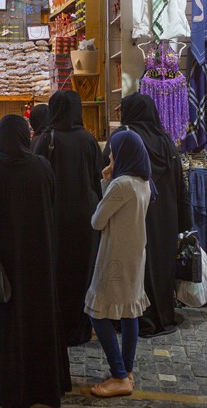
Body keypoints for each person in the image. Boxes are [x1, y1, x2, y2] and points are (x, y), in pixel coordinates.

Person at [0, 114, 71, 408]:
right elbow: (52, 206)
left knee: (5, 321)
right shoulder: (42, 167)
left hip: (4, 266)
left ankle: (2, 384)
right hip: (38, 260)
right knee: (39, 318)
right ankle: (43, 385)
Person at [103, 92, 192, 337]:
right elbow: (178, 182)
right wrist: (183, 221)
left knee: (134, 268)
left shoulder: (123, 138)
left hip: (133, 216)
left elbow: (108, 176)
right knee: (161, 265)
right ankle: (160, 314)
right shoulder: (165, 141)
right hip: (165, 216)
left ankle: (133, 317)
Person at [85, 129, 155, 398]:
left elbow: (97, 221)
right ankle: (127, 371)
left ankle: (118, 374)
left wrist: (108, 182)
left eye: (113, 150)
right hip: (135, 255)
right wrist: (108, 181)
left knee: (96, 311)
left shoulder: (121, 184)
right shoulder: (142, 182)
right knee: (129, 312)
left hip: (114, 257)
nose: (110, 155)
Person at [33, 90, 103, 346]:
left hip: (54, 218)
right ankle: (79, 329)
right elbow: (97, 179)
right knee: (82, 273)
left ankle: (55, 328)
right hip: (85, 219)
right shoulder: (88, 140)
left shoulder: (47, 138)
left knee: (56, 272)